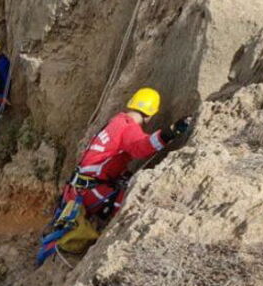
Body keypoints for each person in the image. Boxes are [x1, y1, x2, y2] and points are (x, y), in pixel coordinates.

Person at [36, 88, 192, 265]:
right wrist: (170, 132)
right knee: (130, 198)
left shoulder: (116, 122)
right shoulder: (128, 129)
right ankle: (107, 242)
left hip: (77, 189)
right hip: (90, 193)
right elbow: (142, 147)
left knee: (124, 182)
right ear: (149, 115)